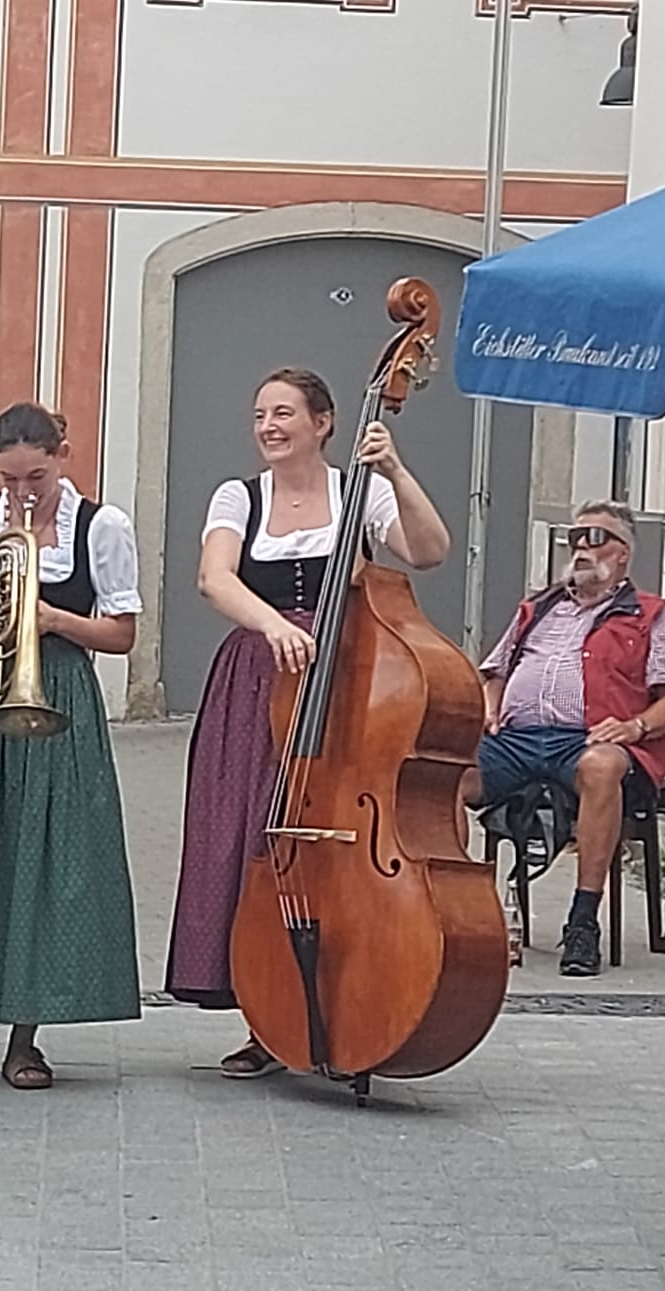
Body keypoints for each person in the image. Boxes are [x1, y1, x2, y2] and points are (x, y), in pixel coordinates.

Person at [163, 367, 451, 1078]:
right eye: (260, 413)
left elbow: (428, 551)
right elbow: (215, 578)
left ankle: (352, 1002)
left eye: (284, 413)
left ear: (323, 422)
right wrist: (271, 625)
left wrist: (397, 470)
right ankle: (267, 1016)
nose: (268, 426)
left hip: (345, 678)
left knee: (335, 846)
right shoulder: (239, 496)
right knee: (252, 836)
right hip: (258, 680)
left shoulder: (363, 490)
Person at [0, 403, 144, 1088]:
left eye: (36, 477)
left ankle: (26, 1037)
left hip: (60, 693)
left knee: (45, 860)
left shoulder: (103, 527)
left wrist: (53, 618)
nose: (22, 493)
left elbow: (122, 633)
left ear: (62, 455)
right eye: (10, 478)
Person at [466, 500, 665, 977]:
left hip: (592, 742)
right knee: (441, 771)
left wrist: (635, 728)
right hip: (518, 741)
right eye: (576, 538)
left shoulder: (650, 614)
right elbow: (495, 672)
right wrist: (490, 709)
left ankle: (583, 920)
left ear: (625, 553)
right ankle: (449, 909)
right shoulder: (538, 607)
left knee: (601, 766)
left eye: (597, 537)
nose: (583, 548)